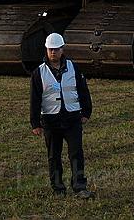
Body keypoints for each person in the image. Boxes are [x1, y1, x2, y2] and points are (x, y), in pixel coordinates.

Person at [30, 33, 95, 199]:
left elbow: (82, 90)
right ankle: (58, 188)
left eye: (56, 49)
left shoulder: (74, 67)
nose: (53, 52)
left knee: (76, 153)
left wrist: (86, 112)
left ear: (62, 49)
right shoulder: (39, 73)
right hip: (51, 121)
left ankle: (80, 187)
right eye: (50, 49)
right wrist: (35, 123)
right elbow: (35, 99)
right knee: (54, 156)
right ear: (46, 50)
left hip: (72, 119)